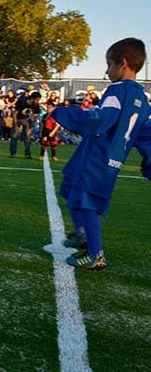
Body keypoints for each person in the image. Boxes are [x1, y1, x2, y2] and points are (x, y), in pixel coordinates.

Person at [52, 38, 151, 270]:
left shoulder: (117, 91)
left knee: (87, 202)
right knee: (69, 185)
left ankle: (95, 254)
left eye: (109, 64)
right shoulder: (143, 100)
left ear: (122, 63)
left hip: (98, 157)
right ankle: (81, 234)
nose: (106, 71)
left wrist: (64, 114)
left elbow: (99, 120)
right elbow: (144, 134)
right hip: (100, 156)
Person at [10, 90, 41, 158]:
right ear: (32, 98)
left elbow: (35, 116)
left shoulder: (36, 105)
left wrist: (31, 128)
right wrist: (15, 126)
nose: (38, 101)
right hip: (17, 119)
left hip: (27, 120)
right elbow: (15, 113)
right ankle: (13, 153)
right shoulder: (22, 101)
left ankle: (27, 154)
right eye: (37, 100)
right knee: (14, 136)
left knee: (28, 137)